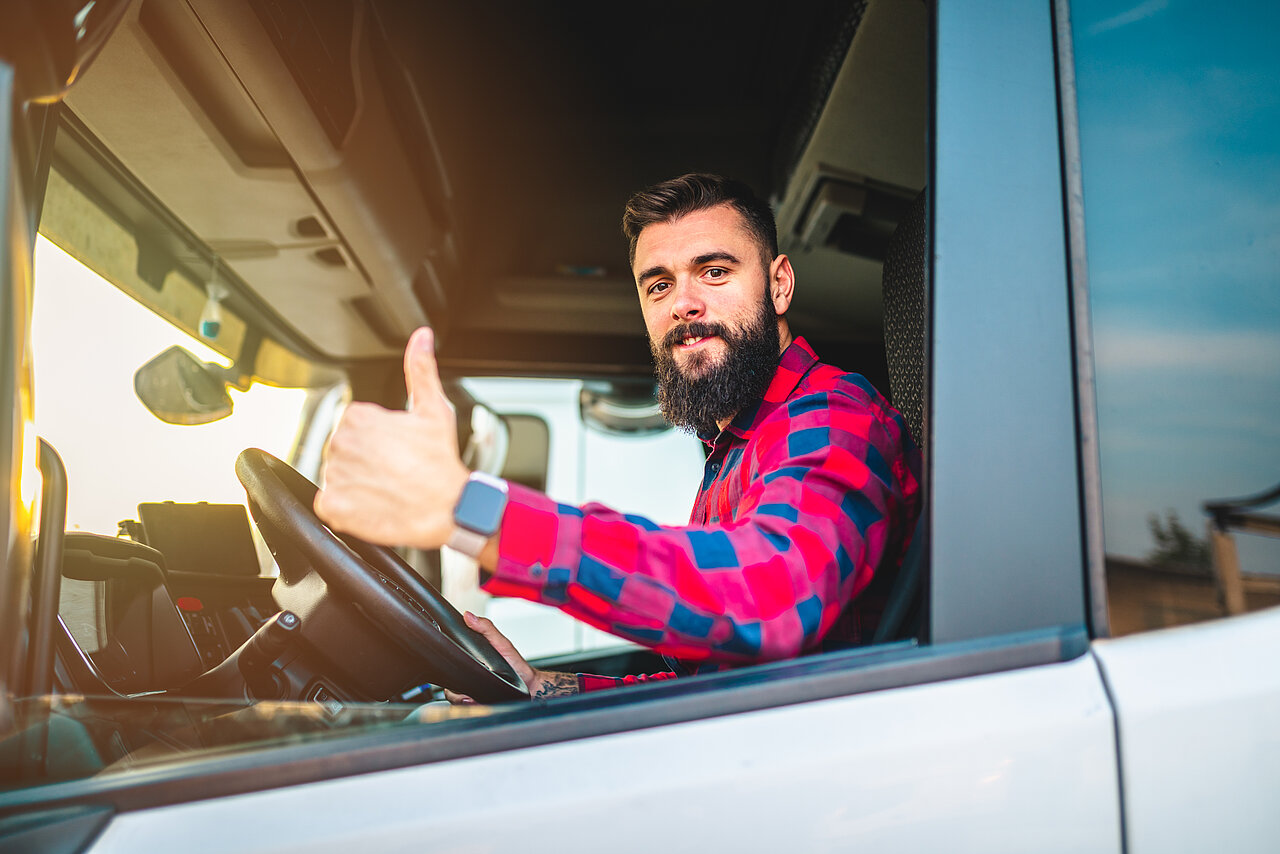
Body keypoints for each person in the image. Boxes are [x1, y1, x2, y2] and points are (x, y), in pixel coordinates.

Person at [315, 173, 921, 701]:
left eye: (714, 271)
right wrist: (538, 689)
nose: (684, 302)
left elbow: (767, 596)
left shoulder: (834, 416)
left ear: (779, 284)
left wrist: (470, 511)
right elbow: (712, 682)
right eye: (658, 285)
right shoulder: (736, 445)